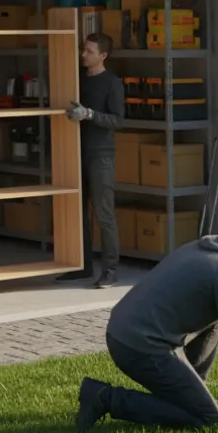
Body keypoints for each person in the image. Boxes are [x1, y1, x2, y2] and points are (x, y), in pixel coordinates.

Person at [76, 220, 218, 432]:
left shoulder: (215, 247)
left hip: (123, 330)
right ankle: (104, 397)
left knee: (216, 325)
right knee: (208, 419)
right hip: (138, 345)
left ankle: (190, 392)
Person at [59, 33, 126, 288]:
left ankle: (110, 270)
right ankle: (82, 265)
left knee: (103, 213)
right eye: (83, 50)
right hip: (75, 153)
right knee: (77, 213)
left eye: (89, 51)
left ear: (103, 55)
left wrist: (89, 114)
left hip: (101, 156)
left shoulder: (112, 83)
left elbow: (118, 120)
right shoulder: (76, 78)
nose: (83, 54)